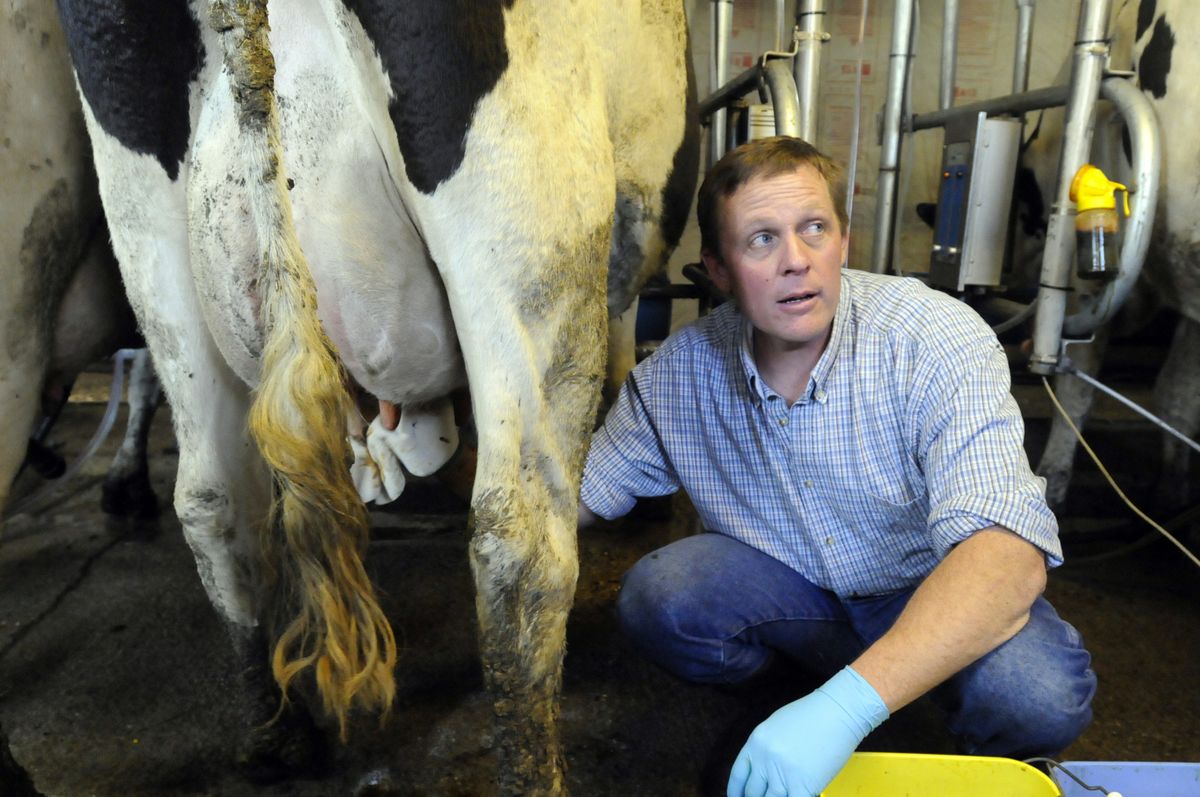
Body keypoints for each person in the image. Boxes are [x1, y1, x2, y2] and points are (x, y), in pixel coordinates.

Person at [577, 136, 1096, 797]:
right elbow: (572, 498)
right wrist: (446, 433)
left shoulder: (933, 337)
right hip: (791, 596)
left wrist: (841, 711)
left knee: (1037, 696)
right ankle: (824, 690)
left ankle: (868, 704)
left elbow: (1006, 555)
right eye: (761, 239)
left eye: (814, 229)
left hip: (924, 586)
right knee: (664, 594)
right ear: (718, 269)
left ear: (843, 242)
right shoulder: (675, 378)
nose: (797, 261)